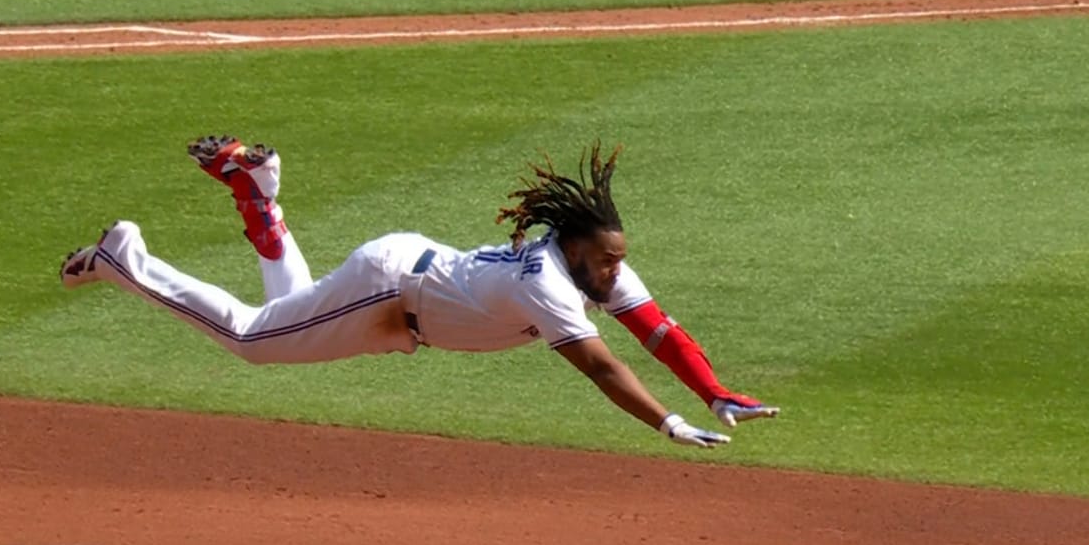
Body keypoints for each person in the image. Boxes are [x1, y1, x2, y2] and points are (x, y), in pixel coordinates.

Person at [59, 136, 778, 449]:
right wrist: (667, 423)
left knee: (285, 314)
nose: (619, 274)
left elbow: (656, 331)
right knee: (251, 340)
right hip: (389, 291)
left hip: (402, 297)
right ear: (577, 251)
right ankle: (127, 260)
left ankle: (257, 192)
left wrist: (712, 390)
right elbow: (601, 365)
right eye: (610, 262)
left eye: (620, 262)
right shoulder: (549, 285)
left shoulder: (596, 267)